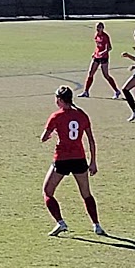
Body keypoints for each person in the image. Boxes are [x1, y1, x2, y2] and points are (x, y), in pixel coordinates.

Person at [40, 86, 103, 237]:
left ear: (60, 100)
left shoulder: (56, 116)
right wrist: (93, 161)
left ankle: (60, 223)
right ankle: (97, 225)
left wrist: (50, 135)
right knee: (86, 193)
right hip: (79, 158)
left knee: (48, 191)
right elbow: (91, 140)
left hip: (62, 159)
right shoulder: (82, 115)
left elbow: (43, 137)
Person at [79, 22, 121, 100]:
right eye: (97, 27)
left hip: (104, 58)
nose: (98, 29)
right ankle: (86, 91)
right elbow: (98, 46)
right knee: (91, 73)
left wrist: (103, 52)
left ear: (103, 28)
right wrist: (95, 53)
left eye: (100, 27)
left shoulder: (105, 36)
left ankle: (117, 91)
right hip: (96, 57)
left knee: (106, 75)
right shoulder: (96, 35)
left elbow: (109, 48)